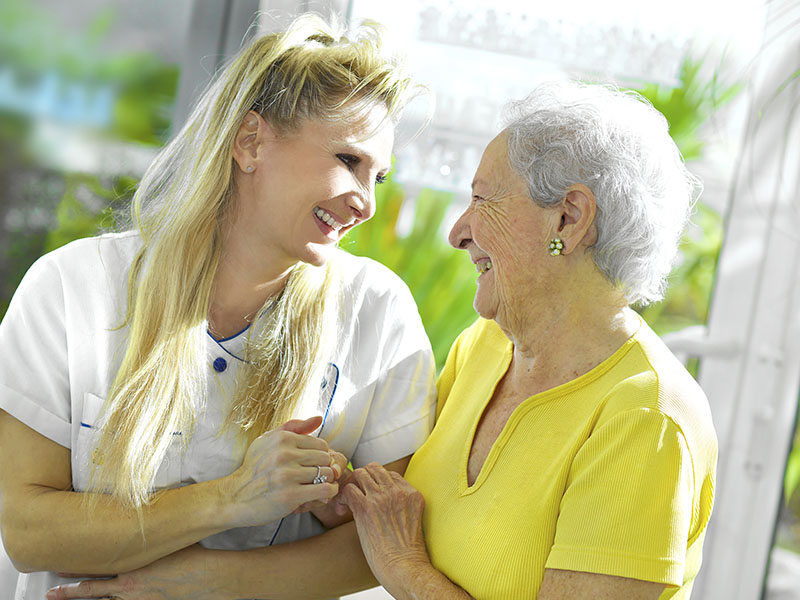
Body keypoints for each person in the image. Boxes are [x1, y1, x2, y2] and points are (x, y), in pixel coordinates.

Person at [0, 14, 436, 600]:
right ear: (251, 142)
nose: (367, 204)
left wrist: (198, 583)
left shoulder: (380, 313)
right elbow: (28, 533)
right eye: (349, 160)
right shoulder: (69, 287)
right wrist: (234, 497)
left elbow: (382, 547)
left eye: (379, 177)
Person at [338, 81, 718, 599]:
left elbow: (401, 550)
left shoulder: (646, 420)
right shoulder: (485, 346)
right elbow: (400, 511)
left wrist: (404, 567)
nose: (458, 231)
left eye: (481, 199)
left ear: (569, 217)